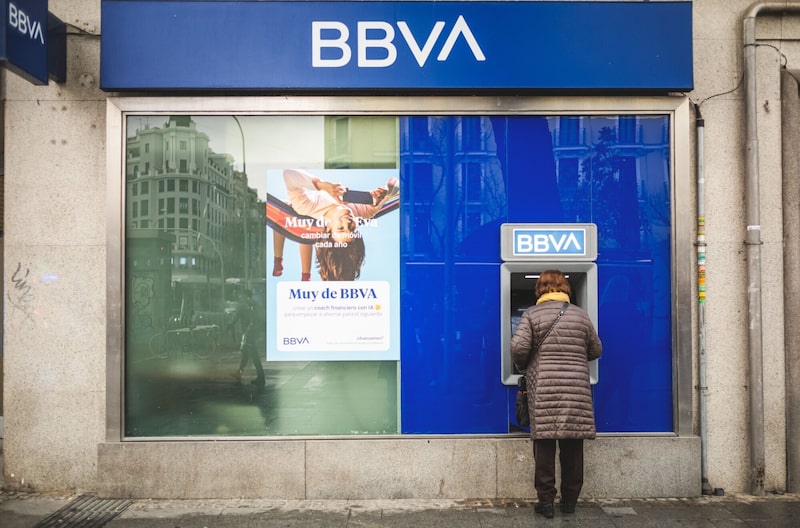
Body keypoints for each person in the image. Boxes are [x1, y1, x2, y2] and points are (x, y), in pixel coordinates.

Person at [510, 269, 602, 519]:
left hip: (545, 389)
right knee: (573, 447)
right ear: (566, 289)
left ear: (539, 289)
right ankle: (570, 501)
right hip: (576, 390)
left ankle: (546, 502)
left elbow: (518, 347)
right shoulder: (581, 316)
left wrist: (525, 365)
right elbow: (596, 349)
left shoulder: (531, 315)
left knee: (545, 447)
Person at [272, 169, 398, 281]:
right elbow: (396, 186)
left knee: (282, 219)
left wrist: (321, 185)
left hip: (299, 217)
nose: (347, 221)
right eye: (352, 229)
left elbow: (288, 174)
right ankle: (287, 265)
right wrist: (386, 191)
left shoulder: (308, 207)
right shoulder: (363, 213)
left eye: (341, 228)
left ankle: (297, 271)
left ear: (328, 230)